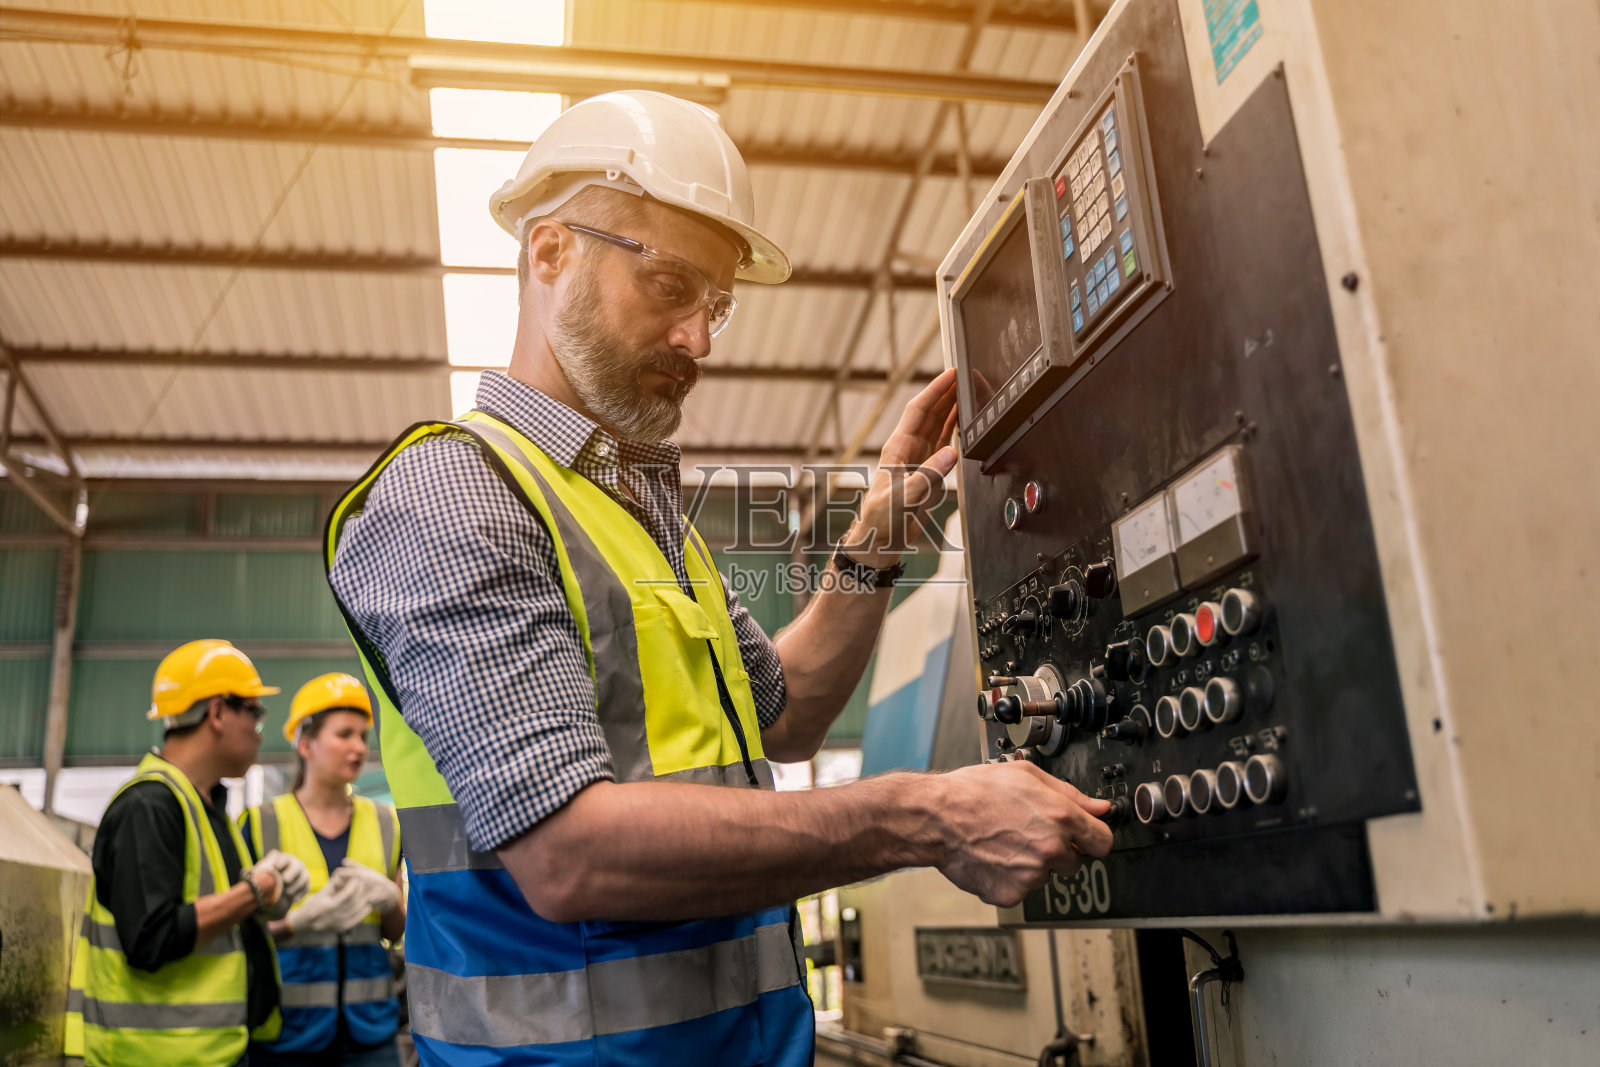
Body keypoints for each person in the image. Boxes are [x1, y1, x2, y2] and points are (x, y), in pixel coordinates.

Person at [325, 90, 1113, 1066]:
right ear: (549, 252)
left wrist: (882, 525)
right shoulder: (452, 493)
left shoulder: (641, 515)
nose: (698, 338)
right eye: (667, 285)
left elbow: (784, 714)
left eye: (717, 305)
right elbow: (568, 852)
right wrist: (924, 812)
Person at [64, 639, 310, 1066]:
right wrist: (256, 889)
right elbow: (150, 937)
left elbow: (219, 926)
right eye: (253, 712)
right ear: (217, 712)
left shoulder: (206, 806)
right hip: (156, 1056)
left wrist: (272, 905)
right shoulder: (149, 807)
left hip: (208, 1051)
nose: (258, 730)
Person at [239, 673, 405, 1066]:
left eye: (363, 736)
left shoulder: (387, 823)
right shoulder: (260, 823)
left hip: (371, 1032)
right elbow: (239, 935)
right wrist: (295, 924)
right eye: (344, 734)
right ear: (305, 743)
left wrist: (392, 903)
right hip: (286, 1031)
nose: (358, 747)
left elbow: (394, 932)